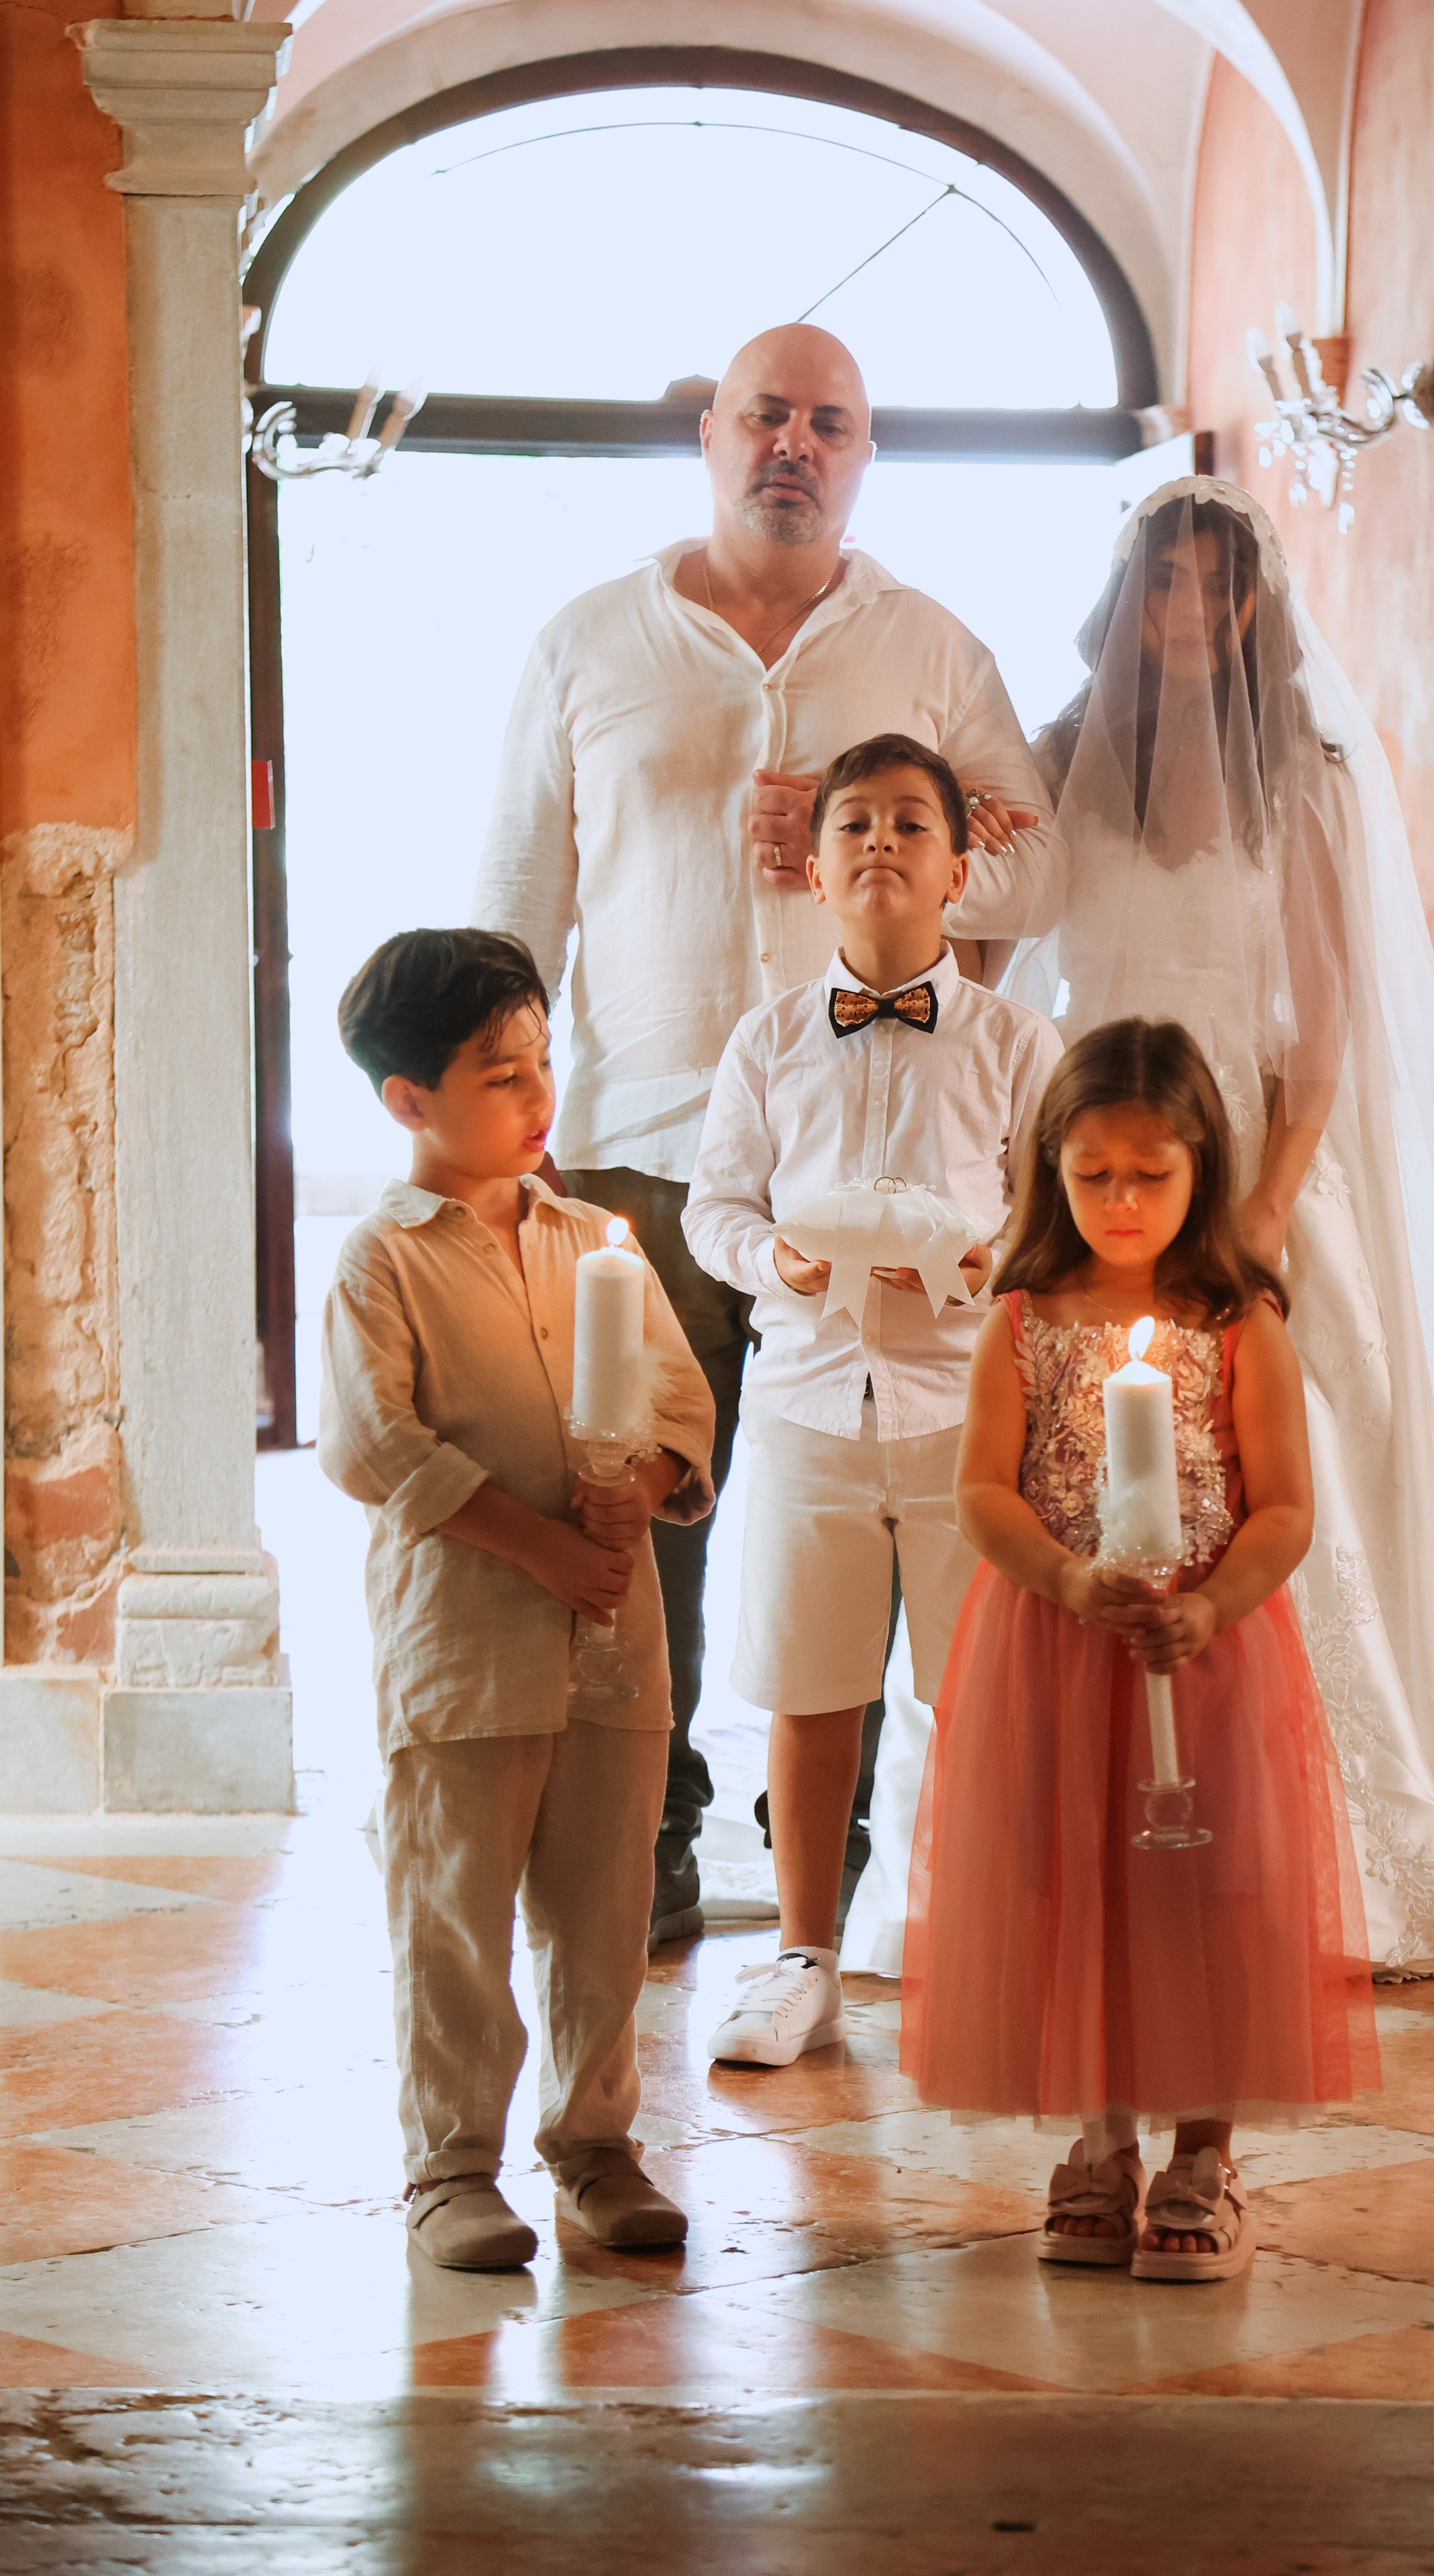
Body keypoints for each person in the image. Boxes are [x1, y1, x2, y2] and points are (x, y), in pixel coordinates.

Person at [1011, 475, 1434, 1976]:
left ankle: (1345, 1843)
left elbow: (1323, 1033)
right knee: (1089, 1465)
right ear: (1126, 599)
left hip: (1250, 1153)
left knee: (1297, 1462)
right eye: (1163, 585)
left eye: (1214, 586)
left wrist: (1263, 1206)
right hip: (1099, 1153)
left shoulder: (1304, 776)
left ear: (1252, 604)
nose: (1188, 612)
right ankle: (1118, 1816)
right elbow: (994, 925)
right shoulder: (1063, 757)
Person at [472, 323, 1063, 1946]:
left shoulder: (930, 647)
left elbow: (1034, 874)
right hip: (637, 1150)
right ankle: (645, 1842)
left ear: (864, 453)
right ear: (712, 437)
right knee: (639, 1502)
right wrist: (502, 1130)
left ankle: (836, 1872)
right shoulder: (588, 641)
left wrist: (854, 830)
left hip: (868, 1174)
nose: (792, 444)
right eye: (763, 417)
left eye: (829, 422)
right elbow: (518, 899)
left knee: (865, 1511)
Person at [902, 1019, 1378, 2274]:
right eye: (1093, 1173)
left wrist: (1212, 1607)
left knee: (1205, 1893)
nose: (1121, 1201)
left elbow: (1283, 1507)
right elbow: (984, 1492)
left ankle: (1204, 2156)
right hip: (1052, 1648)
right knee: (1070, 1880)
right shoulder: (1023, 1318)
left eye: (1150, 1175)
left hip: (1207, 1653)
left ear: (1201, 1168)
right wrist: (1065, 1574)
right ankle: (1100, 2137)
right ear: (1049, 1166)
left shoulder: (1238, 1318)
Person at [319, 929, 716, 2269]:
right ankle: (450, 2166)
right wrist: (536, 1545)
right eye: (499, 1073)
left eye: (543, 1061)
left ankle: (595, 2143)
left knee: (603, 1913)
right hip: (467, 1647)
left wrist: (644, 1479)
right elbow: (374, 1445)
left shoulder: (590, 1236)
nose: (537, 1095)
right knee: (455, 1911)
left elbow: (674, 1394)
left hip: (610, 1642)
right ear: (408, 1099)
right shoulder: (385, 1259)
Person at [682, 736, 1062, 2068]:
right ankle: (800, 1958)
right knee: (810, 1684)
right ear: (813, 868)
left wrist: (974, 1260)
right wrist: (770, 1257)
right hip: (800, 1403)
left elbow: (1052, 1215)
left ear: (959, 869)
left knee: (978, 1689)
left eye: (912, 823)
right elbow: (712, 1205)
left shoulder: (1018, 1042)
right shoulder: (769, 1038)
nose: (881, 844)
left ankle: (988, 1944)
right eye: (854, 825)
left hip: (966, 1408)